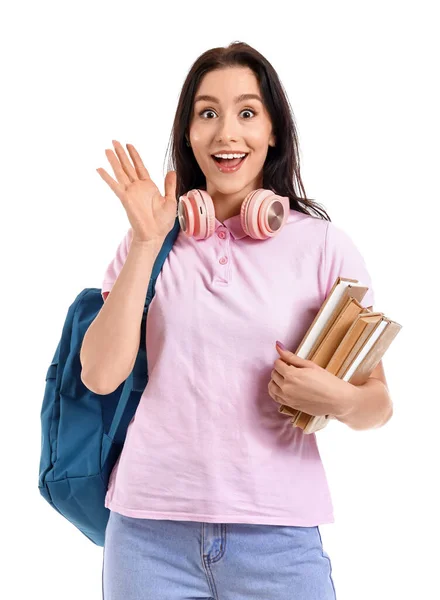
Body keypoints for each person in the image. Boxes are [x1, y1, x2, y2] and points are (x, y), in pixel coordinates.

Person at [80, 41, 392, 600]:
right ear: (189, 132)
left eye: (247, 113)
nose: (227, 134)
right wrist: (150, 240)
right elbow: (100, 376)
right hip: (148, 535)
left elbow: (378, 403)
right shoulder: (149, 240)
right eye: (208, 113)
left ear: (273, 131)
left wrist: (336, 399)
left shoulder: (322, 247)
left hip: (279, 537)